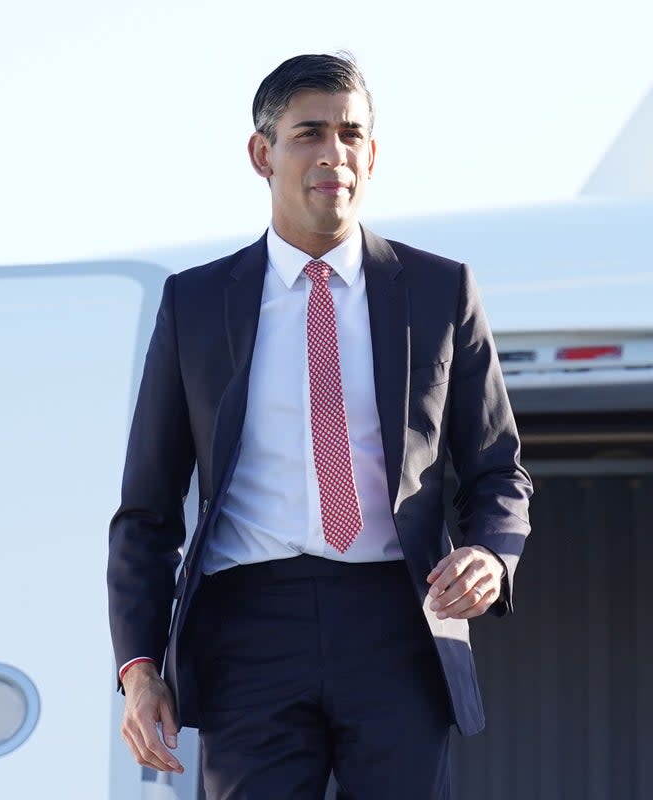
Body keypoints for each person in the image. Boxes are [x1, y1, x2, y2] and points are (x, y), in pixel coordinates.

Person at [107, 52, 532, 799]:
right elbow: (147, 511)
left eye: (350, 133)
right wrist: (139, 667)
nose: (333, 153)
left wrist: (493, 557)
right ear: (261, 153)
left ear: (372, 154)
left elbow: (499, 469)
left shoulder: (441, 291)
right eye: (309, 133)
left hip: (399, 621)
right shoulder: (196, 305)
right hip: (248, 629)